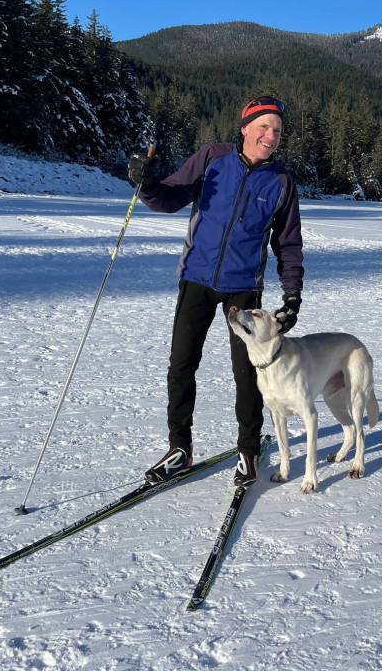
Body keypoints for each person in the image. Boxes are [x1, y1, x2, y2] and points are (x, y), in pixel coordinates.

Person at [127, 96, 304, 487]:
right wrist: (147, 183)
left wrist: (292, 295)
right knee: (181, 364)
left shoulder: (280, 183)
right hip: (196, 278)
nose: (270, 136)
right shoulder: (212, 159)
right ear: (245, 128)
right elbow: (168, 197)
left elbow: (288, 245)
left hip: (243, 289)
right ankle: (179, 449)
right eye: (263, 127)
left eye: (276, 130)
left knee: (247, 373)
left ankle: (248, 450)